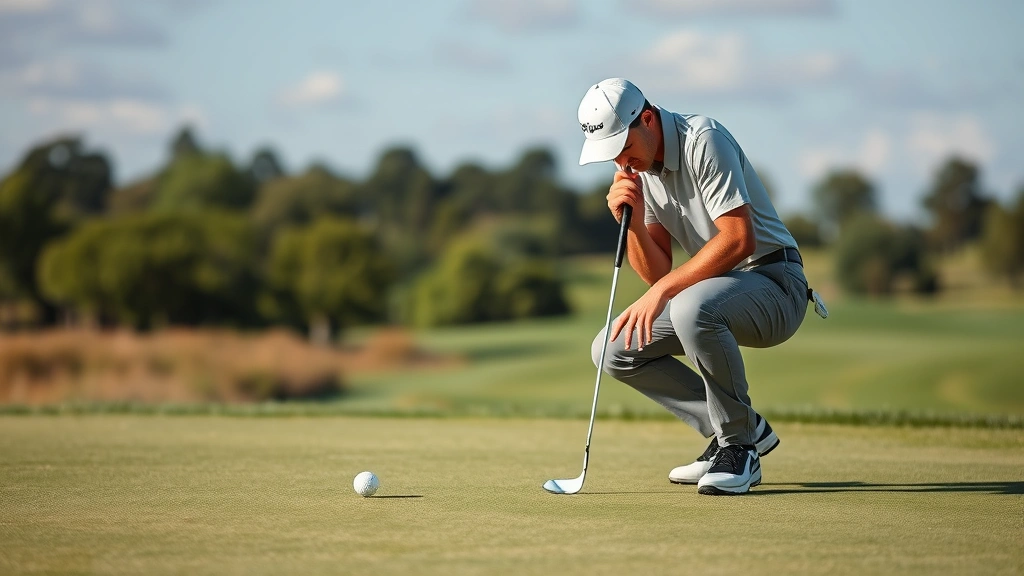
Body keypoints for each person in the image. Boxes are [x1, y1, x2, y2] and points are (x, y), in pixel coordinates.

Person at [577, 78, 826, 495]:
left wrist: (663, 292)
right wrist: (634, 221)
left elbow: (737, 239)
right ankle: (736, 428)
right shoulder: (644, 172)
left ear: (649, 119)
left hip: (775, 283)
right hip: (709, 294)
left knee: (688, 305)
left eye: (623, 145)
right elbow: (659, 271)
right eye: (611, 154)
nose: (621, 161)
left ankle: (740, 448)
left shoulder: (703, 140)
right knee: (611, 349)